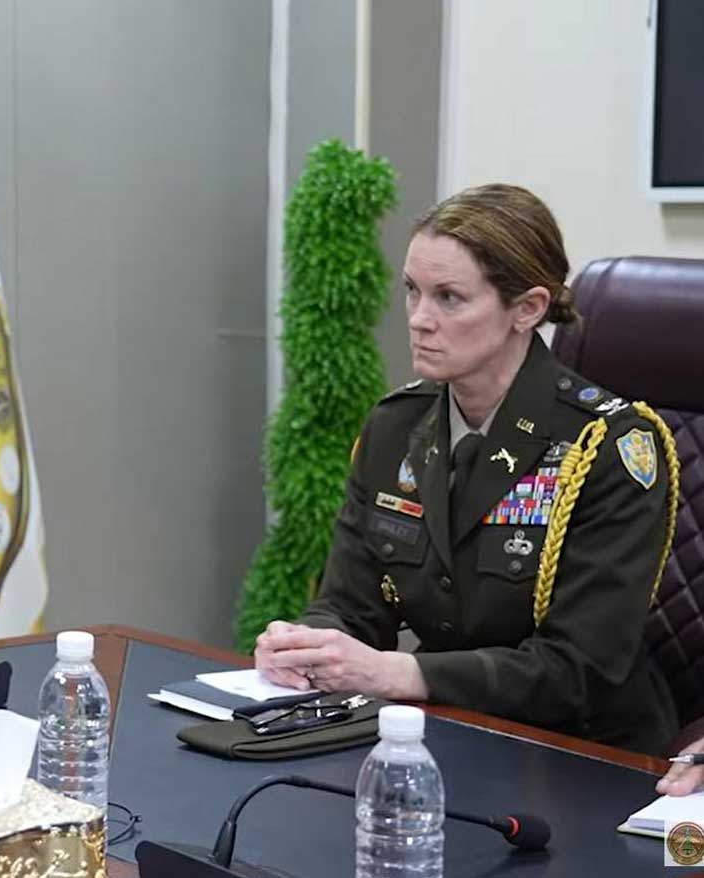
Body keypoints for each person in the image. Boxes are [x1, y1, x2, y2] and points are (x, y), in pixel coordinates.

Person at [253, 184, 679, 756]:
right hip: (443, 730)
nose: (419, 319)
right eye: (412, 290)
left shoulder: (606, 446)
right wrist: (310, 646)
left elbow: (579, 670)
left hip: (584, 752)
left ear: (527, 309)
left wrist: (398, 673)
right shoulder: (396, 426)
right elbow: (352, 604)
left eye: (449, 298)